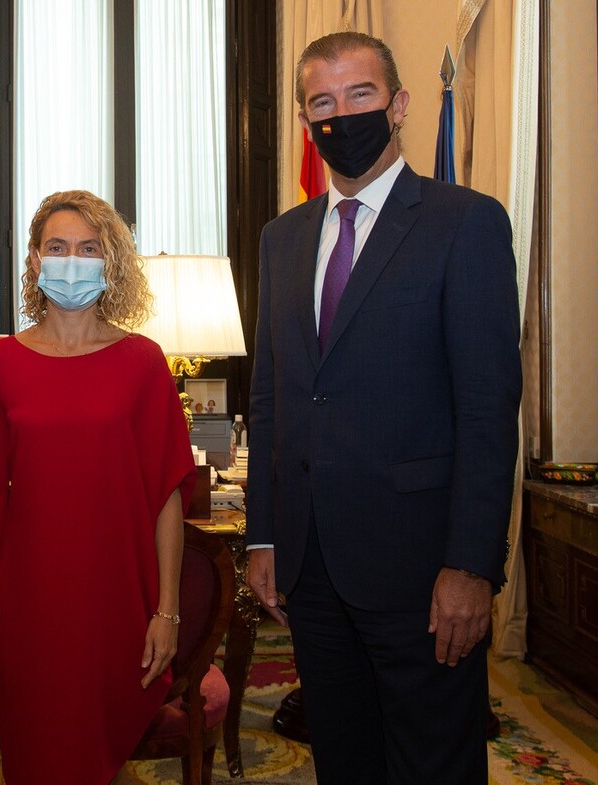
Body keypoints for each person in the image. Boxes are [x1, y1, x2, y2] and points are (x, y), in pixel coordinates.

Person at [245, 32, 522, 785]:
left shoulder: (465, 223)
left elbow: (488, 414)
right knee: (345, 759)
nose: (341, 116)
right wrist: (264, 537)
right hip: (313, 567)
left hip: (422, 571)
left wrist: (471, 566)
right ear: (306, 122)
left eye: (359, 96)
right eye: (322, 104)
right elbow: (271, 400)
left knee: (434, 761)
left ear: (397, 105)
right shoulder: (281, 238)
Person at [0, 190, 197, 784]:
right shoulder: (0, 365)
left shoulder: (144, 362)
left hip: (116, 593)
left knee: (97, 746)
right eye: (57, 247)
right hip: (31, 598)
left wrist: (166, 610)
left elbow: (169, 493)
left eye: (88, 248)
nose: (72, 259)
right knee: (38, 747)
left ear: (110, 260)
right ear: (35, 261)